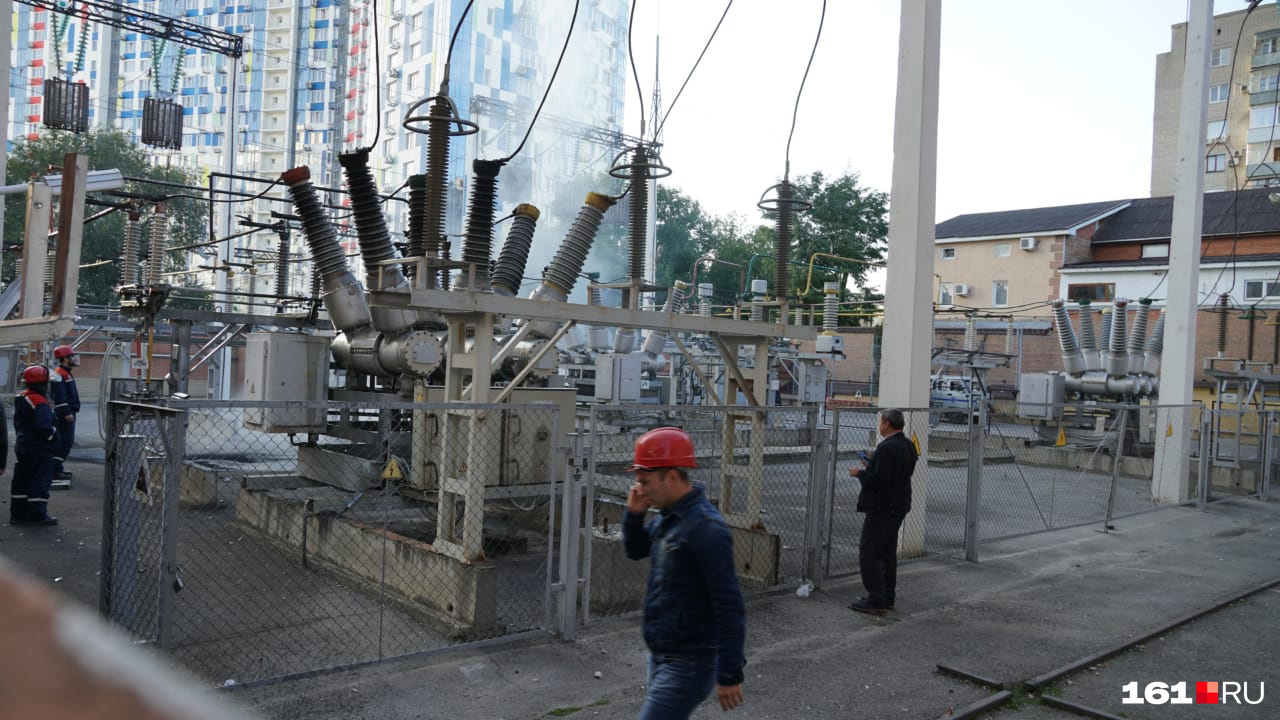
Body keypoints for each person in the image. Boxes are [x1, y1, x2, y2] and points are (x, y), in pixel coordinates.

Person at [623, 427, 746, 718]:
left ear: (673, 477)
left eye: (645, 481)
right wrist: (634, 514)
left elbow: (729, 605)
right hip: (662, 656)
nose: (640, 489)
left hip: (690, 663)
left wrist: (730, 672)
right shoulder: (670, 519)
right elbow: (636, 549)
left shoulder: (705, 529)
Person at [848, 408, 917, 614]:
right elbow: (899, 472)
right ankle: (887, 596)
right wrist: (874, 462)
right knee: (887, 552)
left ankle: (876, 598)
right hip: (899, 505)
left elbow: (880, 480)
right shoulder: (908, 445)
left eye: (881, 421)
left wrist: (860, 472)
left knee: (869, 551)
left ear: (886, 424)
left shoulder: (887, 448)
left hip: (882, 507)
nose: (880, 425)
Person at [10, 366, 59, 526]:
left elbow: (19, 424)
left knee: (22, 480)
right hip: (39, 448)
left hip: (23, 445)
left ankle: (18, 514)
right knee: (40, 480)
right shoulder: (39, 401)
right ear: (41, 383)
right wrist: (53, 436)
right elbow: (44, 426)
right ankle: (37, 514)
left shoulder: (22, 397)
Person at [48, 344, 80, 482]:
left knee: (64, 441)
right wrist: (66, 412)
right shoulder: (60, 374)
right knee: (65, 442)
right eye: (71, 356)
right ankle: (54, 469)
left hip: (68, 412)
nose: (74, 358)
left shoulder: (65, 373)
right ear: (65, 358)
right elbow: (60, 396)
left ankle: (57, 468)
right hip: (64, 414)